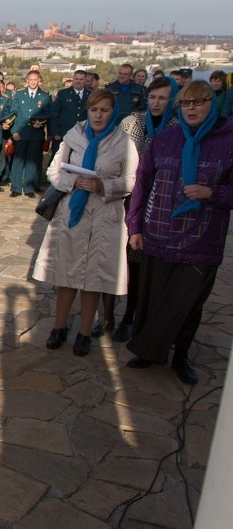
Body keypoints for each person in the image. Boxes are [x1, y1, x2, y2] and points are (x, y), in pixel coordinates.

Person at [125, 80, 233, 385]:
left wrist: (212, 193)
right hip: (158, 236)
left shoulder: (228, 139)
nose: (192, 108)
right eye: (186, 103)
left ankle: (181, 355)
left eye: (199, 102)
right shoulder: (165, 140)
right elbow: (142, 184)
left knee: (187, 303)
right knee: (153, 299)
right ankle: (148, 351)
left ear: (213, 104)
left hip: (201, 241)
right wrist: (134, 226)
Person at [34, 90, 137, 357]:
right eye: (94, 110)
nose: (98, 115)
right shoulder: (72, 137)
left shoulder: (123, 141)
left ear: (113, 112)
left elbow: (132, 180)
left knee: (93, 278)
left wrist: (104, 185)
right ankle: (58, 327)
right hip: (73, 213)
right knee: (66, 273)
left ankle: (84, 332)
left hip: (104, 217)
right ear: (88, 111)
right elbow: (54, 171)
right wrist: (75, 182)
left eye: (104, 110)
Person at [113, 76, 180, 342]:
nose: (156, 102)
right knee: (132, 263)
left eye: (162, 98)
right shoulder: (131, 122)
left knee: (155, 268)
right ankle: (126, 316)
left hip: (163, 205)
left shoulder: (177, 127)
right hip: (131, 202)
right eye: (152, 97)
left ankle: (147, 319)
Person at [7, 70, 52, 197]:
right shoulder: (19, 95)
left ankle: (29, 188)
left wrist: (41, 123)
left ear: (39, 80)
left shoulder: (44, 96)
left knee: (32, 162)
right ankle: (16, 188)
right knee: (18, 161)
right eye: (31, 80)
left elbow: (47, 114)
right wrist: (14, 131)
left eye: (35, 79)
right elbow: (13, 113)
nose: (33, 82)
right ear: (27, 81)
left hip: (35, 133)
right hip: (20, 132)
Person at [49, 70, 89, 161]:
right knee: (59, 159)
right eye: (76, 79)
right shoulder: (63, 93)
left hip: (82, 134)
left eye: (81, 79)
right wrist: (55, 132)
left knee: (77, 160)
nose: (78, 81)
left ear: (85, 80)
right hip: (64, 133)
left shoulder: (90, 94)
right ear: (73, 79)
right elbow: (54, 113)